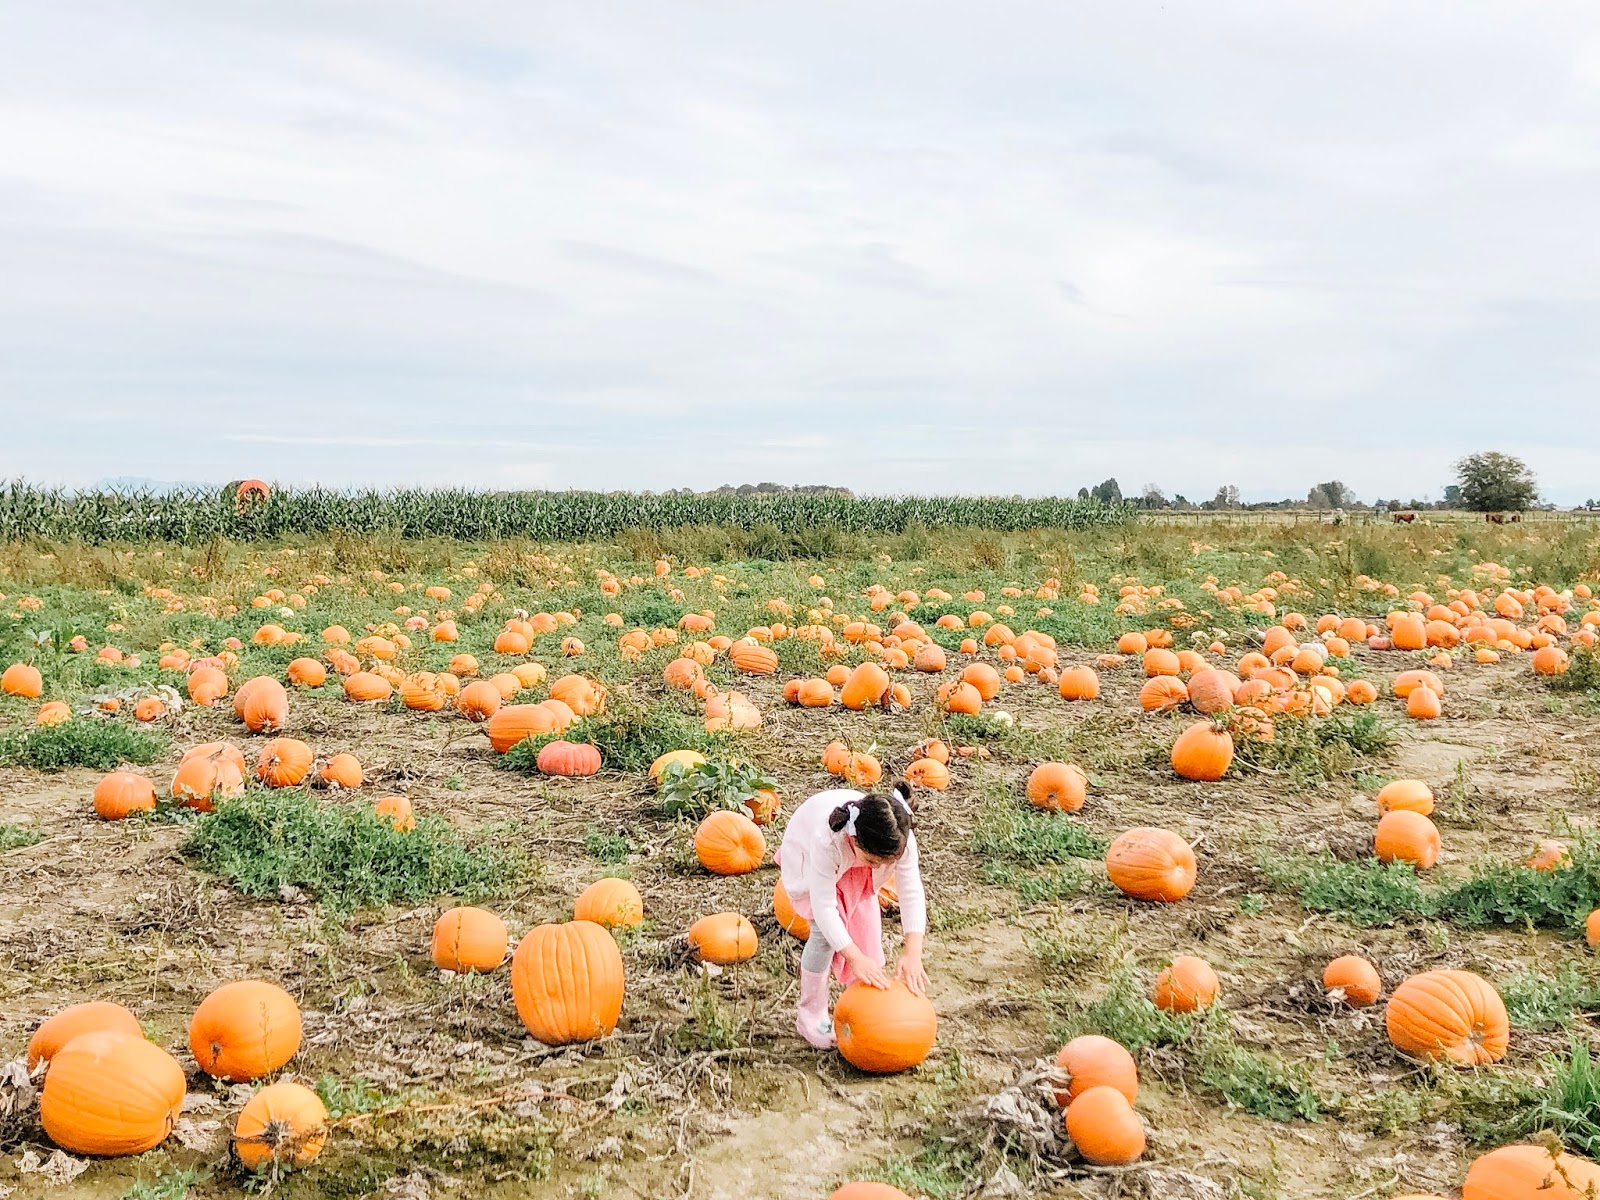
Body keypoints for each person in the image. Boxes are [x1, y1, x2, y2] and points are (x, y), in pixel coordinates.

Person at [775, 779, 927, 1049]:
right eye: (873, 861)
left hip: (852, 860)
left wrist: (913, 951)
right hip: (810, 858)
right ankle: (810, 1014)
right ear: (854, 841)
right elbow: (824, 908)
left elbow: (911, 891)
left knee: (865, 925)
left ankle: (862, 1006)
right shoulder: (827, 841)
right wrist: (854, 957)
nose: (879, 868)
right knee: (823, 936)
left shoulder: (900, 837)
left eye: (886, 864)